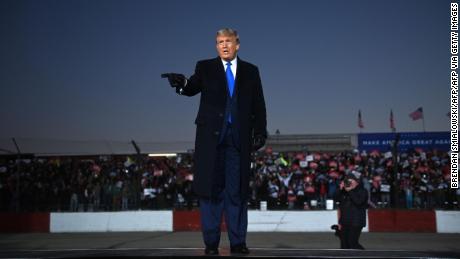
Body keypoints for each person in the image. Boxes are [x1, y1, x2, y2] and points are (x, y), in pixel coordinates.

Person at [163, 28, 267, 255]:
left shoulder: (251, 71)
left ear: (237, 44)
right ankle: (211, 245)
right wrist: (181, 84)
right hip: (211, 139)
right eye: (219, 42)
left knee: (236, 193)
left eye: (228, 41)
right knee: (210, 193)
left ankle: (238, 243)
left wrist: (260, 130)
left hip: (239, 141)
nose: (224, 45)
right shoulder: (205, 67)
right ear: (216, 45)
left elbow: (259, 102)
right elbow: (192, 88)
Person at [335, 171, 368, 250]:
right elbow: (336, 199)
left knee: (352, 243)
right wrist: (340, 189)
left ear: (357, 182)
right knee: (344, 244)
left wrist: (350, 191)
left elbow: (358, 202)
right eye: (347, 180)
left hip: (356, 222)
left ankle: (365, 255)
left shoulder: (363, 191)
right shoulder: (344, 191)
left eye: (351, 180)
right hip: (345, 221)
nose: (349, 182)